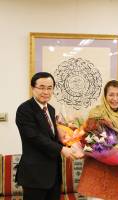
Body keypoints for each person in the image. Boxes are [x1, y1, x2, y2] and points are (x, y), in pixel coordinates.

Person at [15, 72, 80, 200]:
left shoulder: (50, 109)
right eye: (41, 87)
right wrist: (62, 149)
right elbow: (35, 137)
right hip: (35, 176)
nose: (46, 91)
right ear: (33, 88)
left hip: (53, 175)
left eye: (49, 88)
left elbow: (51, 136)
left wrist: (69, 138)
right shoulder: (24, 110)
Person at [77, 80, 118, 200]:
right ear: (105, 96)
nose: (115, 98)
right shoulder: (96, 113)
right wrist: (106, 148)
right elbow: (88, 141)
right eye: (111, 95)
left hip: (116, 173)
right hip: (96, 170)